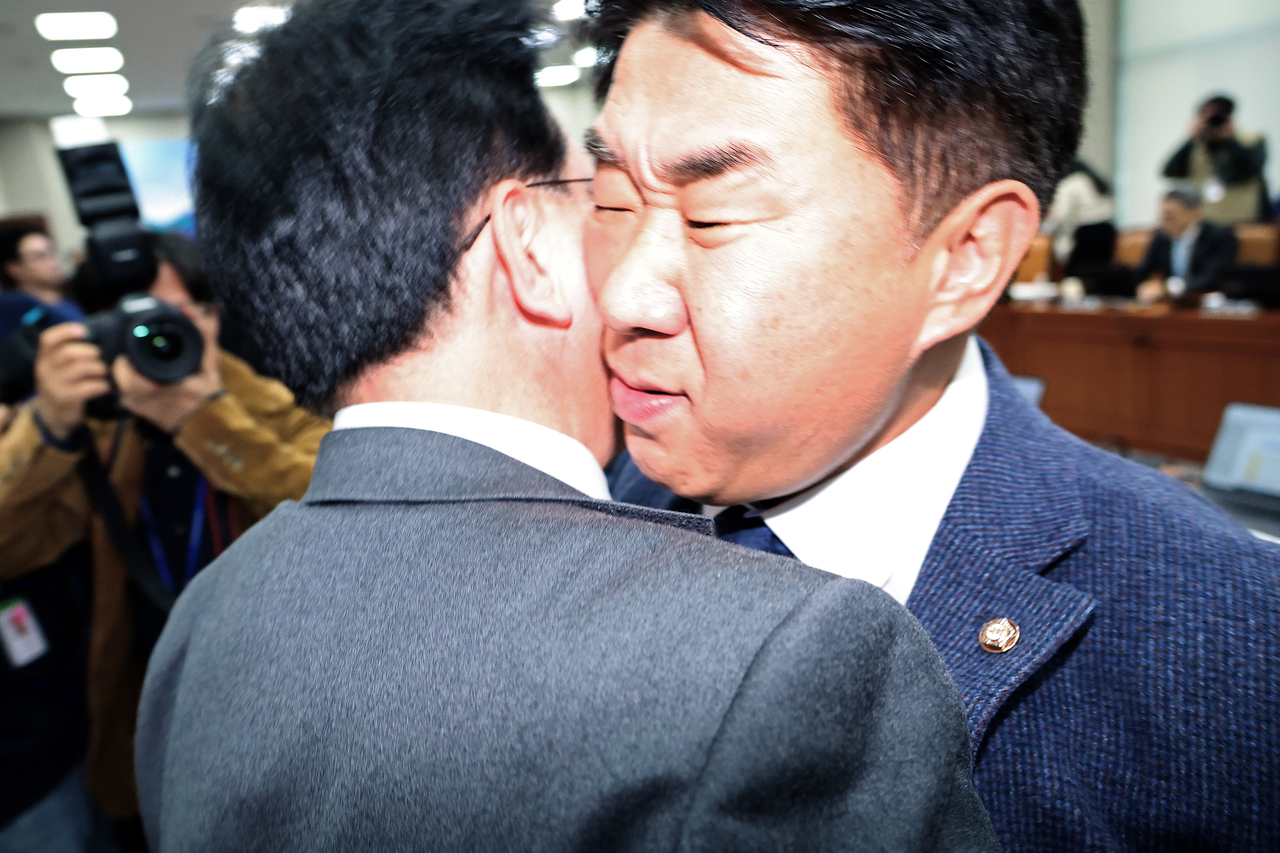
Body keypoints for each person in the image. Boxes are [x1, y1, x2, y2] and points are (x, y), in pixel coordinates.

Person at [133, 1, 999, 851]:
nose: (635, 270)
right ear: (530, 248)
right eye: (606, 199)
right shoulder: (780, 655)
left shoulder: (203, 616)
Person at [587, 0, 1280, 850]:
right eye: (612, 199)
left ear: (967, 257)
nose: (622, 296)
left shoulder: (1229, 651)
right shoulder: (570, 494)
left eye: (712, 216)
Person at [0, 231, 330, 845]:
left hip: (292, 712)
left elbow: (336, 500)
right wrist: (45, 427)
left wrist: (200, 414)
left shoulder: (273, 395)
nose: (167, 335)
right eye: (143, 321)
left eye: (188, 312)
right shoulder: (97, 436)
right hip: (161, 727)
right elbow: (12, 550)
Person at [1163, 95, 1271, 224]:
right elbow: (1169, 172)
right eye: (1206, 117)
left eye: (1217, 118)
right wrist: (1190, 139)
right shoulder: (1196, 147)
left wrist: (1230, 141)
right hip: (1209, 226)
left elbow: (1242, 173)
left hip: (1249, 222)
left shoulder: (1251, 140)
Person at [1132, 188, 1238, 299]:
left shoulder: (1219, 236)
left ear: (1194, 211)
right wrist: (1146, 285)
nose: (1164, 221)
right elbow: (1142, 273)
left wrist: (1169, 288)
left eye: (1170, 215)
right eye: (1162, 216)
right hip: (1169, 304)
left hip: (1204, 301)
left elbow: (1214, 276)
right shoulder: (1161, 237)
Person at [0, 224, 84, 339]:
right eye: (40, 257)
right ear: (14, 269)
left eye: (52, 253)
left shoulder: (70, 297)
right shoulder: (16, 307)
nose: (53, 262)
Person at [1040, 159, 1115, 277]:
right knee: (1099, 275)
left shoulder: (1070, 184)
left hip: (1086, 236)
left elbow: (1059, 216)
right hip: (1106, 233)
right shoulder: (1093, 181)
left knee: (1079, 275)